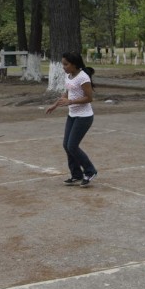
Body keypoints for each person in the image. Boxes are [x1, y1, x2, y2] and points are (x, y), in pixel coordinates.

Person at [46, 51, 98, 188]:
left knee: (72, 146)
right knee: (66, 145)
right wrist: (55, 105)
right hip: (72, 115)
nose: (63, 67)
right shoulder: (69, 75)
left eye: (66, 64)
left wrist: (71, 102)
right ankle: (76, 175)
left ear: (74, 65)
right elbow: (67, 92)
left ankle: (90, 171)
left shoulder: (83, 77)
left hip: (84, 117)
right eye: (63, 64)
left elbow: (89, 98)